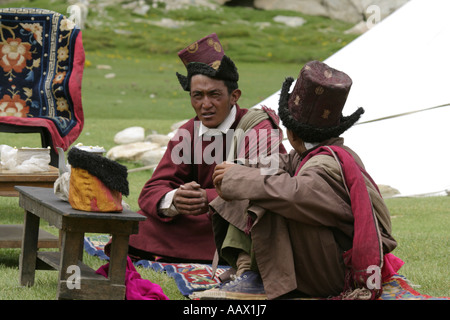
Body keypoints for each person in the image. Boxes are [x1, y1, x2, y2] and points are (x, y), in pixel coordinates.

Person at [197, 60, 403, 300]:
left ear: (291, 134)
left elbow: (295, 192)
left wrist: (240, 177)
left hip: (336, 274)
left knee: (267, 192)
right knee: (251, 179)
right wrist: (240, 167)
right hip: (326, 261)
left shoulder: (325, 166)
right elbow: (281, 163)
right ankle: (249, 270)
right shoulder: (315, 154)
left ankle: (255, 276)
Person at [127, 33, 285, 262]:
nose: (205, 105)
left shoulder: (258, 127)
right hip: (200, 221)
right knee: (140, 221)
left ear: (234, 96)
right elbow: (153, 189)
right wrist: (175, 200)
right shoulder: (189, 131)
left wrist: (208, 198)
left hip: (240, 220)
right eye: (197, 96)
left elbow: (270, 184)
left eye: (214, 95)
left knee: (251, 221)